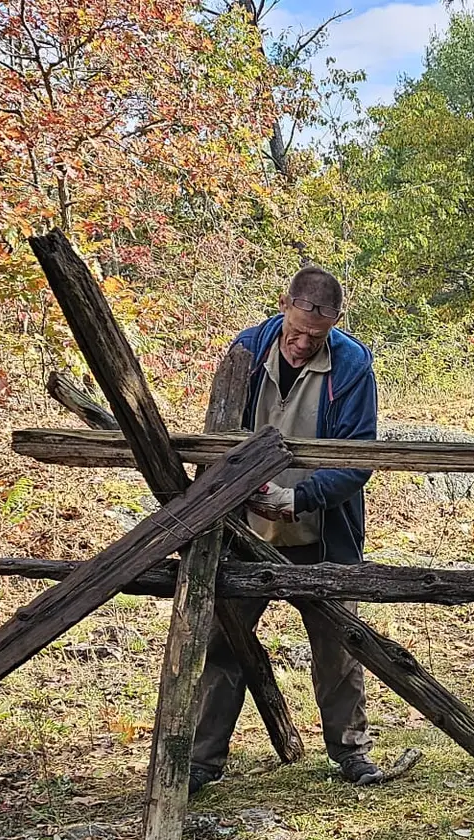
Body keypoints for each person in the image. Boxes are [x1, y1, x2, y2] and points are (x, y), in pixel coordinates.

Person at [188, 265, 382, 792]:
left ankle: (351, 753)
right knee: (223, 641)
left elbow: (357, 459)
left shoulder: (352, 365)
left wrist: (298, 498)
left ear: (335, 323)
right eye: (295, 331)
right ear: (283, 306)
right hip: (244, 532)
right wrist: (234, 495)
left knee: (339, 643)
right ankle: (202, 763)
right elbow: (217, 441)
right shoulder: (245, 353)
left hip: (322, 531)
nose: (300, 344)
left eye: (314, 336)